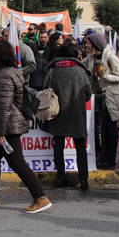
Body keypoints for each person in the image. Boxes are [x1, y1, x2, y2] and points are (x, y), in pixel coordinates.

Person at [0, 40, 52, 214]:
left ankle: (40, 197)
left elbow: (5, 106)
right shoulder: (5, 73)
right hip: (2, 126)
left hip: (7, 127)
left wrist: (0, 131)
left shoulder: (4, 76)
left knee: (17, 162)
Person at [42, 42, 93, 189]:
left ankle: (61, 176)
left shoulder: (53, 70)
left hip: (57, 113)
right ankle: (83, 179)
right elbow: (88, 95)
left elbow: (45, 91)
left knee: (58, 144)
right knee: (80, 147)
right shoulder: (81, 71)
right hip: (77, 113)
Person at [82, 31, 119, 170]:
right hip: (96, 97)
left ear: (95, 44)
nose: (86, 45)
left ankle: (110, 159)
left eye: (88, 43)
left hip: (111, 97)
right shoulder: (90, 58)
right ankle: (99, 155)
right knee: (94, 128)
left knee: (109, 129)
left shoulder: (111, 57)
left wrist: (105, 76)